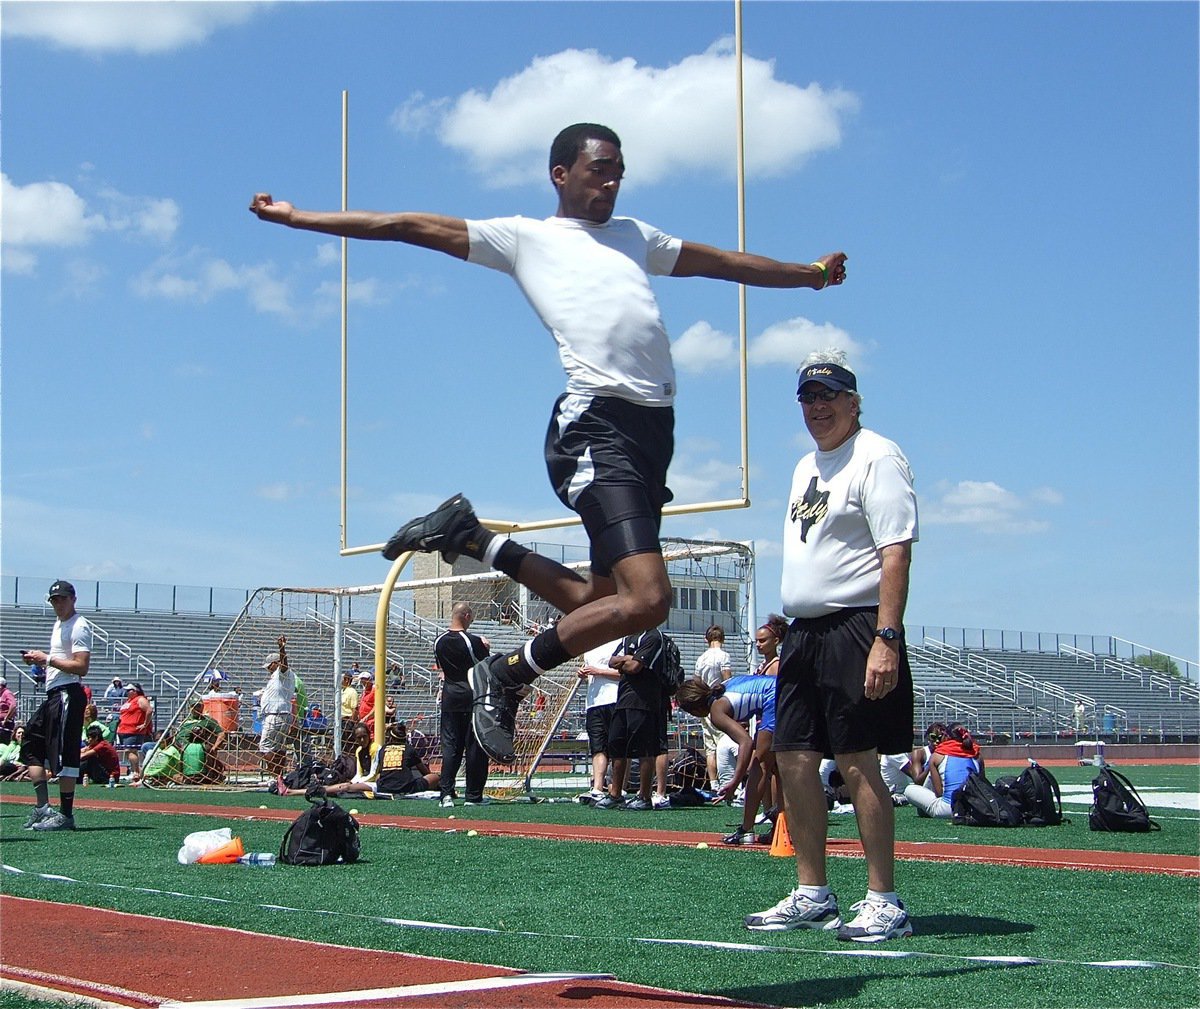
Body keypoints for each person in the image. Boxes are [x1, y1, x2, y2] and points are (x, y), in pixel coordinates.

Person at [251, 122, 848, 766]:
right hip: (597, 424)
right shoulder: (526, 238)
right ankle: (507, 674)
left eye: (619, 170)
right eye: (598, 170)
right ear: (560, 174)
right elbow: (408, 225)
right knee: (648, 601)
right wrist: (299, 218)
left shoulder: (635, 236)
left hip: (654, 434)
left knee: (597, 602)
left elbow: (722, 262)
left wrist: (808, 275)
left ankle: (473, 538)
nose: (611, 182)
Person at [747, 350, 918, 944]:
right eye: (807, 398)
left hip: (856, 626)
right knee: (793, 759)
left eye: (828, 396)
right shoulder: (804, 467)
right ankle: (813, 891)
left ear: (853, 401)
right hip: (803, 632)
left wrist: (886, 638)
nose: (817, 407)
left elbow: (895, 549)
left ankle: (883, 899)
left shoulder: (878, 456)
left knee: (856, 760)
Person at [19, 580, 92, 831]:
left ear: (73, 599)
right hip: (54, 694)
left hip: (67, 694)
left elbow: (81, 666)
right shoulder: (59, 624)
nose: (58, 604)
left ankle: (66, 814)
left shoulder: (78, 625)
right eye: (54, 600)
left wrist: (47, 659)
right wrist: (41, 664)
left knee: (65, 753)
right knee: (30, 742)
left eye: (62, 599)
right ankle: (42, 807)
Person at [676, 675, 777, 845]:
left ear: (696, 709)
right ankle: (780, 827)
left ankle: (746, 830)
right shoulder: (720, 689)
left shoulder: (716, 711)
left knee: (760, 765)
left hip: (774, 696)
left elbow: (745, 741)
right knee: (776, 767)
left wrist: (734, 781)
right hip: (778, 692)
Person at [595, 627, 668, 811]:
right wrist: (629, 659)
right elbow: (611, 661)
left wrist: (629, 660)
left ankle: (644, 796)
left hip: (644, 700)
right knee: (617, 745)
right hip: (623, 699)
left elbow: (635, 667)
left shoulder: (654, 636)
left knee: (645, 748)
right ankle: (615, 794)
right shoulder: (629, 637)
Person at [434, 603, 492, 808]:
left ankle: (446, 795)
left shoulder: (438, 641)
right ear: (466, 616)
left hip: (450, 698)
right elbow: (486, 666)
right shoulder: (472, 641)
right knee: (475, 746)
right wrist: (486, 647)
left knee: (451, 746)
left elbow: (442, 669)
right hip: (472, 697)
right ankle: (473, 795)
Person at [316, 722, 440, 800]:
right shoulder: (409, 749)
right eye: (359, 738)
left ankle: (317, 790)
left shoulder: (380, 749)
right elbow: (425, 772)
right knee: (435, 777)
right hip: (405, 787)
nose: (362, 740)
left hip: (383, 786)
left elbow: (377, 774)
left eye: (364, 737)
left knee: (347, 787)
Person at [577, 637, 623, 804]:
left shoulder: (621, 642)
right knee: (598, 746)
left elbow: (626, 672)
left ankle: (618, 787)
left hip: (614, 699)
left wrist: (600, 671)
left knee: (617, 746)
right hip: (594, 702)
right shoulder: (590, 646)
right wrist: (583, 673)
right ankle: (597, 788)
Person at [902, 724, 983, 817]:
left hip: (948, 809)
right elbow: (982, 785)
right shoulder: (977, 755)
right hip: (974, 809)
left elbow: (939, 793)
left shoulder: (937, 755)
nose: (937, 740)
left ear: (946, 737)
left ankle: (924, 810)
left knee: (909, 789)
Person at [693, 626, 732, 791]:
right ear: (722, 638)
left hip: (705, 704)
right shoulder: (724, 656)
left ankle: (713, 783)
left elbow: (696, 682)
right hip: (720, 703)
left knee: (710, 747)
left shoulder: (701, 659)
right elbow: (727, 680)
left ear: (706, 639)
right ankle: (728, 783)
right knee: (725, 742)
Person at [256, 636, 296, 780]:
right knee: (279, 747)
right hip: (282, 714)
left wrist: (281, 647)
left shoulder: (282, 673)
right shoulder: (278, 677)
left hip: (275, 715)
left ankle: (275, 777)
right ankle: (280, 777)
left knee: (265, 746)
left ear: (275, 663)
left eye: (269, 666)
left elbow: (284, 665)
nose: (267, 669)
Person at [176, 699, 227, 784]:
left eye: (198, 706)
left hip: (196, 746)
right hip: (179, 746)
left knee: (206, 751)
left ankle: (214, 774)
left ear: (202, 707)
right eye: (193, 706)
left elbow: (222, 734)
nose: (195, 708)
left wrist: (214, 748)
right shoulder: (185, 721)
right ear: (190, 708)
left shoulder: (207, 720)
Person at [116, 682, 153, 781]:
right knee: (128, 752)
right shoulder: (129, 701)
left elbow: (149, 710)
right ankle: (135, 771)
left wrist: (145, 724)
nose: (127, 692)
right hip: (123, 730)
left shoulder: (140, 699)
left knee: (131, 751)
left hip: (133, 730)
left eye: (129, 690)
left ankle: (135, 772)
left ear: (135, 691)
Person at [339, 671, 359, 740]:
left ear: (346, 680)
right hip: (340, 720)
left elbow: (355, 708)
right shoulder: (341, 691)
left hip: (347, 720)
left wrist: (351, 722)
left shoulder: (352, 692)